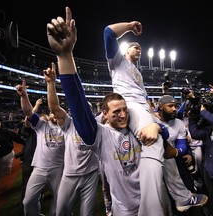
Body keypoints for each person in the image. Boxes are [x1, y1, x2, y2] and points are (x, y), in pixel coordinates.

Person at [46, 7, 172, 216]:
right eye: (116, 113)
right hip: (124, 210)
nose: (123, 115)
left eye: (124, 110)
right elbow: (78, 105)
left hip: (154, 204)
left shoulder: (135, 125)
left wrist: (157, 126)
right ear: (104, 115)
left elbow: (166, 138)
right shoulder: (101, 136)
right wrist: (65, 56)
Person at [103, 20, 207, 212]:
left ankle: (181, 197)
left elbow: (145, 100)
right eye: (135, 46)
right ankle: (152, 207)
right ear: (125, 50)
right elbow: (108, 32)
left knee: (164, 151)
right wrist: (128, 26)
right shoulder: (117, 62)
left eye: (140, 47)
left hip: (142, 107)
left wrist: (153, 116)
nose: (138, 49)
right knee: (154, 143)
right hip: (130, 106)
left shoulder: (137, 73)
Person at [43, 62, 100, 216]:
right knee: (61, 212)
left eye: (86, 110)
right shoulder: (68, 122)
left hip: (91, 173)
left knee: (86, 214)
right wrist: (51, 83)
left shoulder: (96, 124)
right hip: (70, 174)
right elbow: (54, 107)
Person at [15, 80, 65, 216]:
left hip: (59, 169)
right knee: (28, 201)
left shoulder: (66, 128)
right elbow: (28, 112)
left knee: (60, 202)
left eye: (57, 112)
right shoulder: (42, 125)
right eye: (52, 112)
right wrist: (24, 96)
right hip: (39, 168)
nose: (54, 114)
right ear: (49, 114)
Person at [157, 94, 208, 212]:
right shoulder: (152, 120)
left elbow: (182, 144)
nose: (174, 109)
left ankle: (183, 201)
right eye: (170, 106)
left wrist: (175, 152)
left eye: (175, 106)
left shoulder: (178, 122)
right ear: (160, 107)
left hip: (173, 160)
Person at [16, 98, 44, 216]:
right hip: (30, 160)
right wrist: (36, 106)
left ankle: (37, 211)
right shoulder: (33, 129)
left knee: (40, 189)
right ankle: (25, 212)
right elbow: (28, 117)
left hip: (42, 162)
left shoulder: (48, 130)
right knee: (26, 187)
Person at [0, 117, 25, 183]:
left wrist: (27, 143)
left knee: (2, 172)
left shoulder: (6, 132)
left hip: (6, 155)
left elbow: (18, 139)